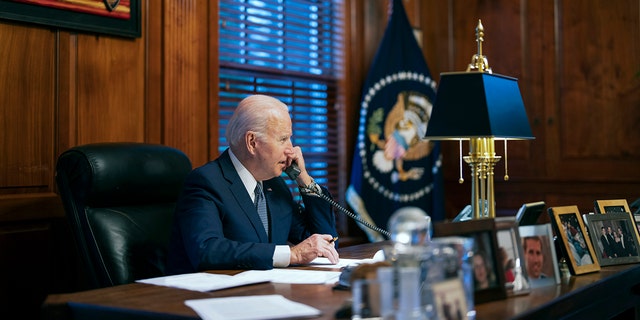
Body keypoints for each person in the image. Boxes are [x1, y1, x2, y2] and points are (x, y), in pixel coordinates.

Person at [166, 94, 339, 274]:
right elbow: (206, 250)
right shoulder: (206, 182)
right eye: (282, 139)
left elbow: (324, 245)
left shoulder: (275, 185)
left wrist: (304, 179)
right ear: (252, 142)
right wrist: (291, 255)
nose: (292, 150)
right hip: (204, 297)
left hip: (265, 293)